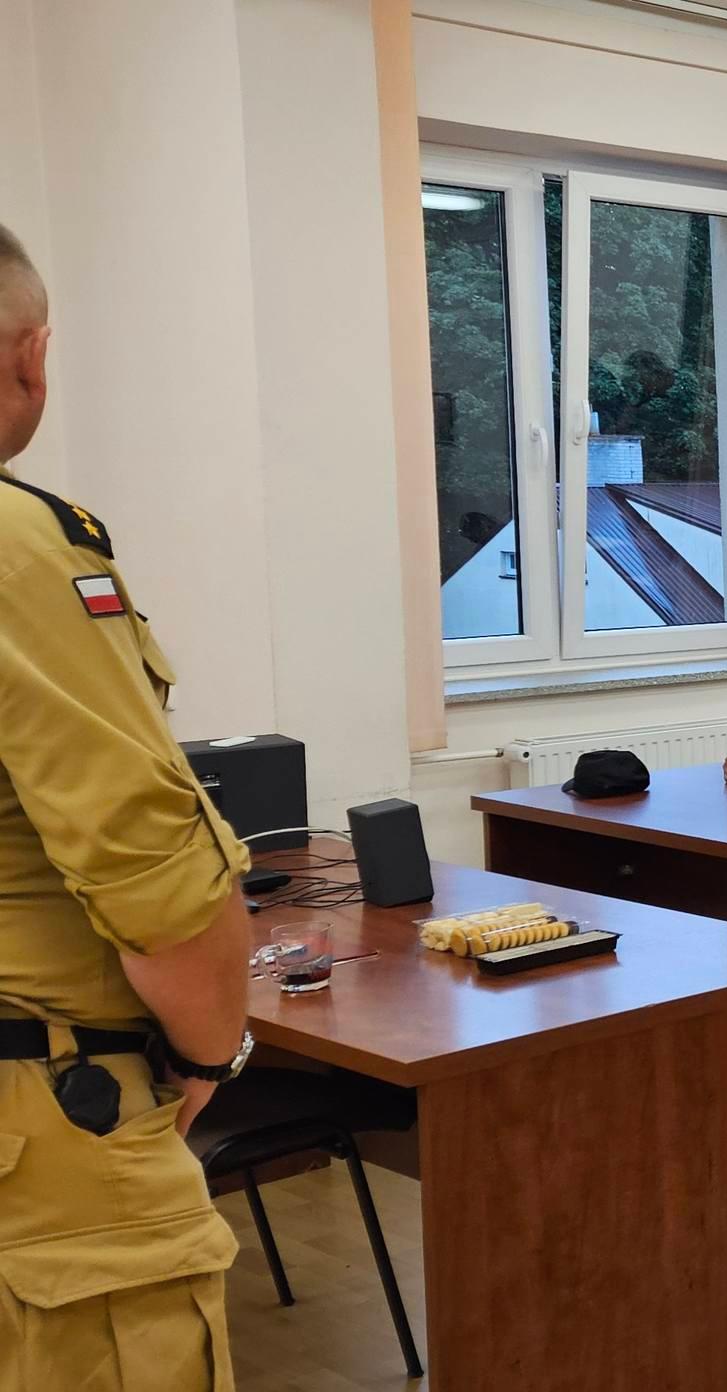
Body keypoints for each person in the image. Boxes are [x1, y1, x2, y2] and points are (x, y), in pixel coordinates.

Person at [0, 217, 255, 1388]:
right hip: (46, 1139)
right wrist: (209, 1057)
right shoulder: (22, 546)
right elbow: (155, 879)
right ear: (32, 354)